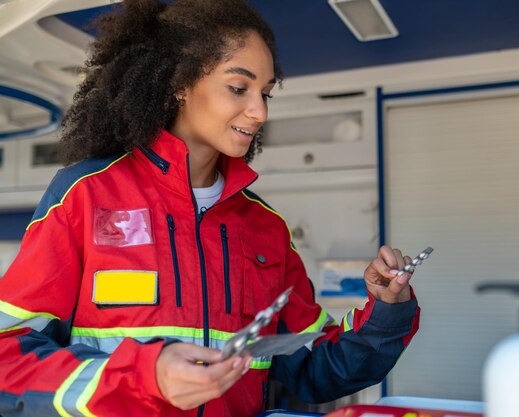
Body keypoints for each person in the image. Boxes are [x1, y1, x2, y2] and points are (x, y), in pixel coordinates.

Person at [0, 1, 420, 416]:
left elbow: (316, 365)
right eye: (239, 88)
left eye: (266, 93)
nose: (259, 112)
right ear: (180, 83)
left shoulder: (264, 225)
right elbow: (8, 356)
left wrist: (386, 309)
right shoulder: (86, 193)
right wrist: (145, 377)